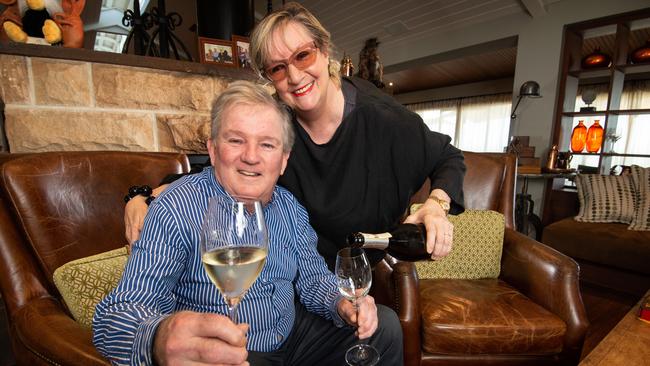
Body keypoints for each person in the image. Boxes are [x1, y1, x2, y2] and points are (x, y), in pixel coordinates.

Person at [125, 2, 465, 270]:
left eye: (303, 55)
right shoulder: (275, 120)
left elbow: (447, 156)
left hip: (351, 272)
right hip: (287, 271)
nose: (294, 75)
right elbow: (218, 172)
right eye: (277, 67)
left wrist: (435, 207)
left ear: (325, 49)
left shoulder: (382, 117)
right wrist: (142, 197)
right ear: (269, 76)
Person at [93, 81, 403, 365]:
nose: (251, 157)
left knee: (384, 327)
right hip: (233, 349)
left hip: (293, 336)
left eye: (267, 145)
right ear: (213, 150)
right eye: (236, 141)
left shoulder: (290, 207)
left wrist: (342, 304)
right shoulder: (176, 207)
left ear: (283, 160)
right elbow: (116, 315)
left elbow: (313, 281)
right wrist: (158, 339)